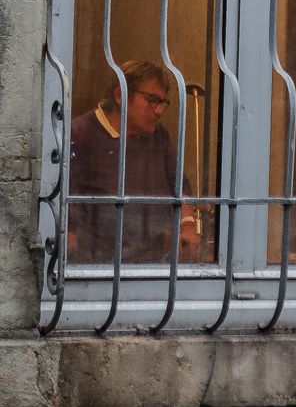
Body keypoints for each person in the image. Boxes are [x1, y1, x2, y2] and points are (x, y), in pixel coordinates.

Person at [68, 60, 201, 264]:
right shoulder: (80, 134)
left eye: (163, 102)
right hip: (97, 264)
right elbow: (65, 205)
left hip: (151, 263)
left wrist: (188, 225)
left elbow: (179, 184)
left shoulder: (158, 136)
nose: (159, 110)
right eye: (153, 100)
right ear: (120, 95)